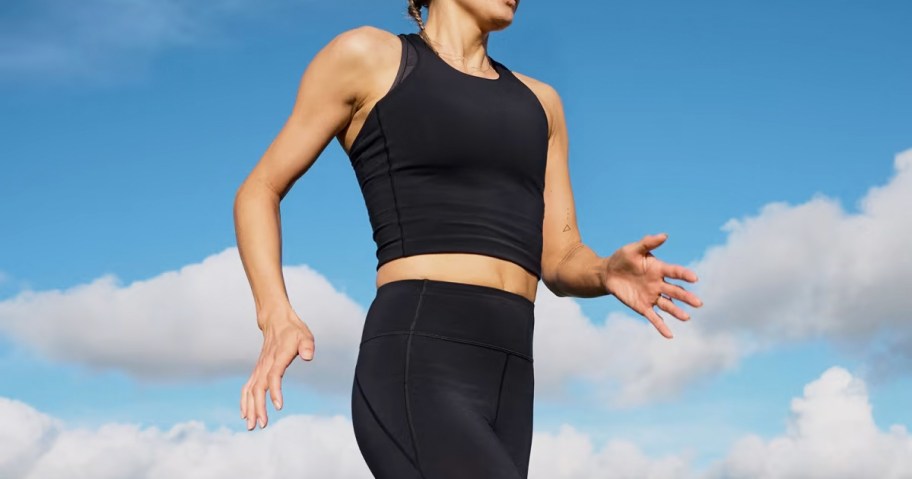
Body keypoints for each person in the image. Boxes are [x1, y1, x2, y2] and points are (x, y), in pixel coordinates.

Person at [233, 0, 704, 477]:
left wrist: (604, 271)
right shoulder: (369, 56)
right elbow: (259, 190)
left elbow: (560, 257)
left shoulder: (542, 103)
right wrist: (275, 313)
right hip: (419, 358)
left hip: (513, 376)